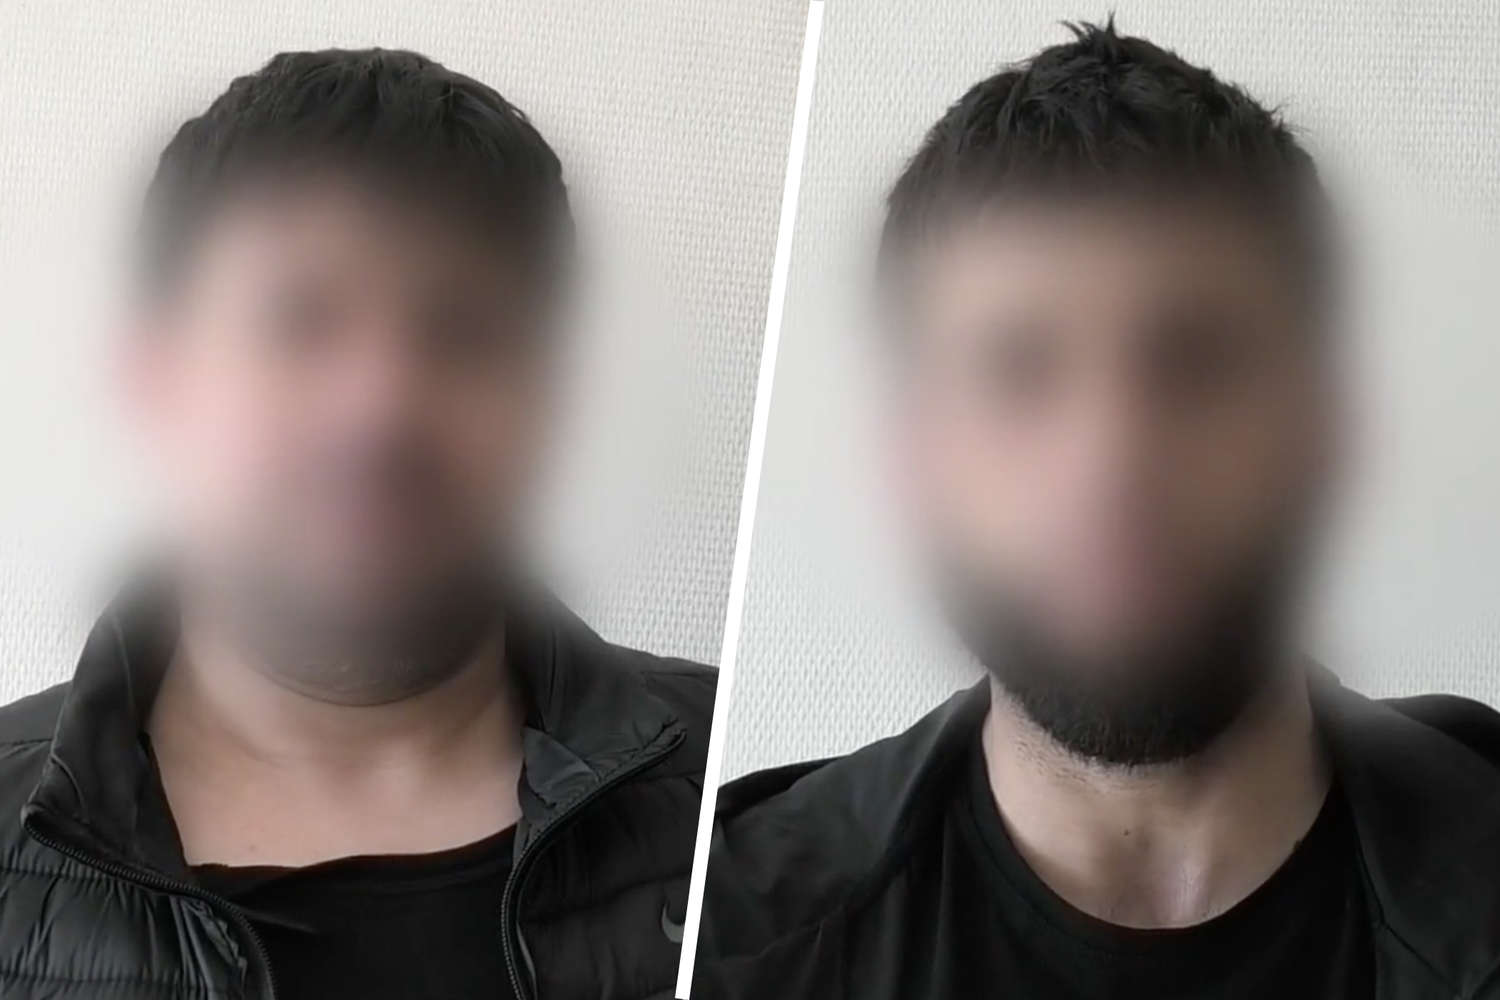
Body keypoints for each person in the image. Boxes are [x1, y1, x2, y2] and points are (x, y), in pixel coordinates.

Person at [695, 21, 1500, 999]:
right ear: (915, 458)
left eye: (1196, 358)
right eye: (1018, 369)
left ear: (1324, 430)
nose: (1113, 458)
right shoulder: (726, 939)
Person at [0, 49, 712, 1000]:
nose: (380, 406)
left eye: (460, 330)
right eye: (301, 320)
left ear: (547, 398)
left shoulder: (740, 797)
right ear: (158, 381)